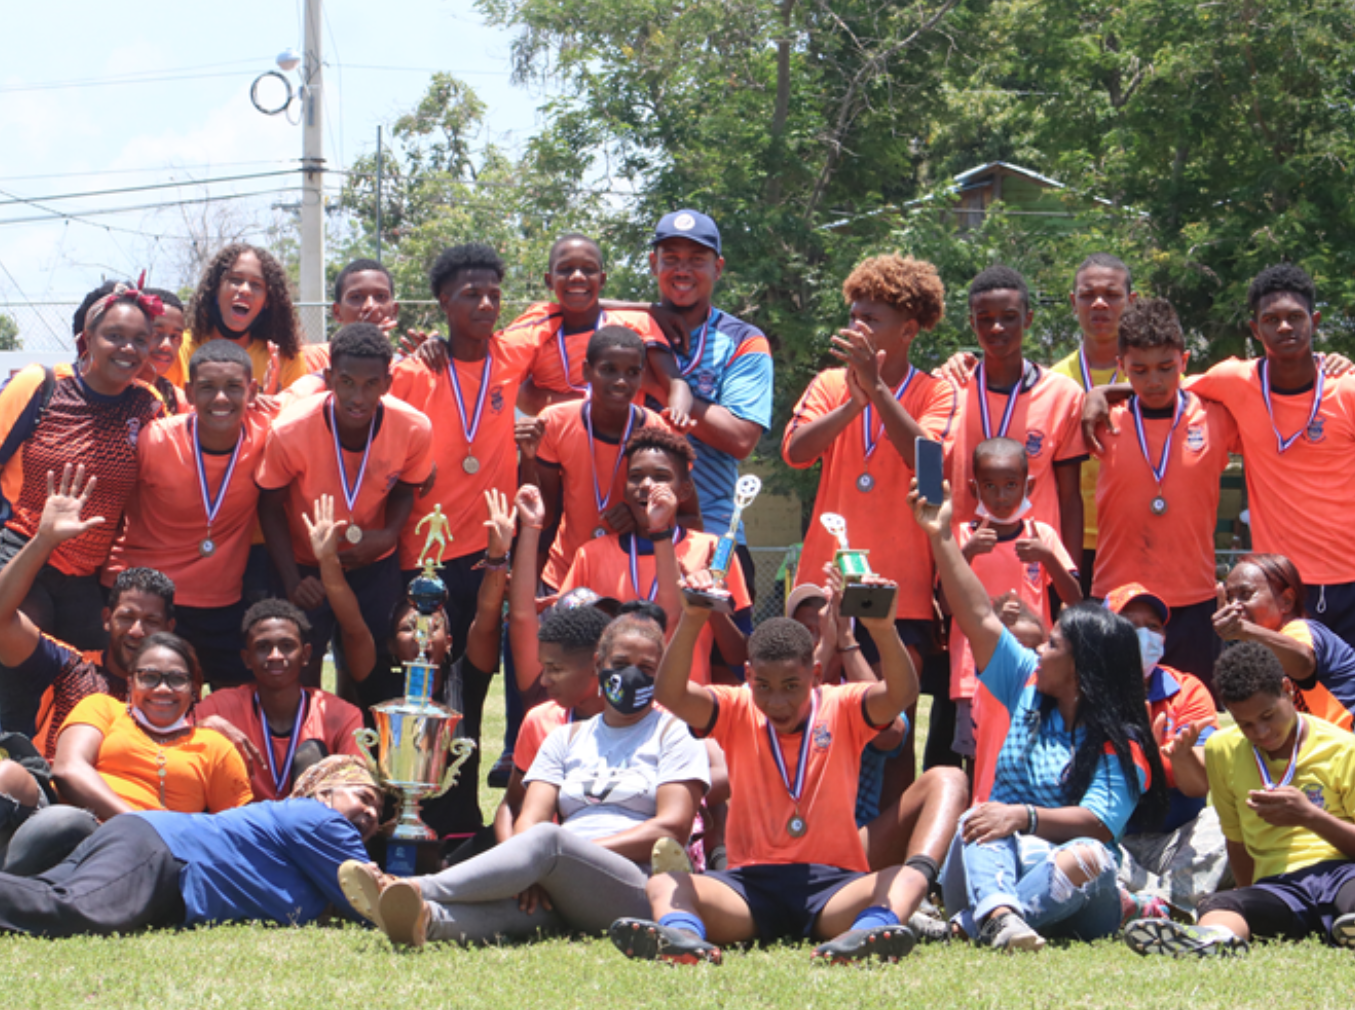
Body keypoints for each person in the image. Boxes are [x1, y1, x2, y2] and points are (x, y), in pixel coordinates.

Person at [613, 572, 966, 965]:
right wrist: (693, 619)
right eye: (763, 685)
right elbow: (671, 694)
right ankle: (682, 940)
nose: (777, 700)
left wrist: (882, 630)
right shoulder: (735, 707)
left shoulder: (842, 705)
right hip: (749, 888)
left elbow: (901, 694)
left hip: (833, 887)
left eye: (791, 686)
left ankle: (868, 933)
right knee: (666, 884)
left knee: (906, 877)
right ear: (748, 676)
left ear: (815, 676)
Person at [339, 611, 709, 946]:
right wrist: (532, 871)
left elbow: (671, 827)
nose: (632, 675)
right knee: (522, 909)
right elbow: (529, 817)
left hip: (635, 884)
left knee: (547, 839)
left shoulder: (674, 734)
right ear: (599, 664)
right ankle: (422, 919)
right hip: (563, 881)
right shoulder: (566, 738)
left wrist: (566, 855)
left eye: (647, 668)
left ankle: (410, 887)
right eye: (621, 663)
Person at [914, 478, 1167, 951]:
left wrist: (1023, 816)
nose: (1041, 648)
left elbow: (1098, 823)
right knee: (982, 821)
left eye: (1053, 644)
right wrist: (941, 534)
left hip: (1074, 889)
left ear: (1080, 667)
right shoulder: (1028, 684)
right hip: (990, 860)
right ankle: (1001, 918)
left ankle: (974, 924)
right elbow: (977, 617)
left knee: (1090, 855)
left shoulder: (1122, 738)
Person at [1084, 264, 1355, 648]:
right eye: (1271, 319)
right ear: (1254, 329)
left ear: (1314, 320)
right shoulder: (1231, 382)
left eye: (1295, 317)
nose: (1284, 327)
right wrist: (1102, 392)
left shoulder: (1345, 390)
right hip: (1277, 583)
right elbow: (1160, 381)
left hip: (1346, 577)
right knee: (1286, 699)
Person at [782, 252, 955, 788]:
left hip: (898, 588)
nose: (857, 327)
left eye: (871, 319)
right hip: (823, 583)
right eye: (853, 315)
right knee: (814, 719)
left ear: (907, 330)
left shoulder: (937, 391)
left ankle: (894, 857)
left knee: (892, 729)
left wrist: (878, 391)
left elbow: (929, 469)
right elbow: (794, 453)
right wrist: (852, 404)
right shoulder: (831, 383)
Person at [1125, 642, 1355, 956]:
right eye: (1246, 724)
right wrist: (1247, 896)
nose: (1261, 732)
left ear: (1287, 690)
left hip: (1341, 873)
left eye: (1268, 716)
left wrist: (1310, 817)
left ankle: (1348, 921)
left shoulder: (1343, 747)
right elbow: (1236, 842)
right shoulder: (1223, 750)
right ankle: (1212, 940)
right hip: (1278, 887)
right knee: (1221, 903)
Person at [0, 755, 383, 936]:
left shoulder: (306, 840)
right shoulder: (321, 819)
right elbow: (371, 906)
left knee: (45, 895)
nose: (370, 813)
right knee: (72, 912)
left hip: (146, 841)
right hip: (164, 851)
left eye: (377, 809)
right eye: (363, 797)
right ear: (324, 791)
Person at [258, 323, 434, 698]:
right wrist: (291, 580)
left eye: (371, 384)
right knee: (300, 671)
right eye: (347, 382)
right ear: (329, 379)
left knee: (372, 673)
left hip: (373, 563)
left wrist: (388, 535)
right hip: (307, 569)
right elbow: (270, 507)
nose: (358, 396)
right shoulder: (290, 429)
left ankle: (366, 749)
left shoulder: (414, 427)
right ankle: (307, 751)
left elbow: (407, 489)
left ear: (387, 382)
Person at [389, 243, 539, 659]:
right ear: (444, 301)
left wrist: (656, 307)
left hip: (487, 549)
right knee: (421, 669)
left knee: (475, 671)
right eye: (472, 294)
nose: (487, 304)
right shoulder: (413, 373)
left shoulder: (512, 355)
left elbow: (566, 300)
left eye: (494, 295)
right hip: (421, 550)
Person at [0, 282, 164, 651]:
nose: (128, 348)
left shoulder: (148, 405)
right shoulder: (43, 385)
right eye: (114, 335)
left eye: (140, 339)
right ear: (87, 338)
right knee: (24, 675)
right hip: (21, 551)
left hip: (85, 575)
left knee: (85, 682)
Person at [10, 633, 252, 876]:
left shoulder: (215, 747)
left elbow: (236, 832)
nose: (162, 689)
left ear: (194, 689)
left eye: (177, 679)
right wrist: (140, 822)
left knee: (67, 825)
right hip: (66, 817)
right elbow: (69, 769)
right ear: (130, 683)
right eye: (149, 677)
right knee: (11, 778)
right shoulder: (103, 707)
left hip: (145, 855)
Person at [1090, 298, 1237, 687]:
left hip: (1192, 598)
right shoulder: (1101, 418)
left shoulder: (1216, 417)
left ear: (1185, 361)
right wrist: (1098, 394)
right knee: (1115, 722)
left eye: (1166, 367)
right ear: (1121, 366)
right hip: (1118, 598)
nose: (1153, 380)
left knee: (1190, 715)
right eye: (1139, 370)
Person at [104, 341, 269, 687]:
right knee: (142, 707)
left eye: (234, 388)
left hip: (222, 603)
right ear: (190, 392)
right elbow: (113, 507)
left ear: (253, 390)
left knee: (237, 708)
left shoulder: (268, 437)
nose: (221, 399)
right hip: (152, 604)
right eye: (207, 388)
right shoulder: (155, 440)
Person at [0, 468, 174, 759]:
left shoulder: (173, 690)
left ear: (169, 628)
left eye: (151, 622)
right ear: (106, 618)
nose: (136, 631)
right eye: (126, 617)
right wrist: (43, 540)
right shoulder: (69, 668)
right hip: (56, 797)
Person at [558, 427, 750, 686]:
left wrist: (706, 603)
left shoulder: (711, 552)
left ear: (684, 492)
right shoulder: (591, 555)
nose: (647, 485)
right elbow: (565, 641)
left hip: (683, 707)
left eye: (661, 477)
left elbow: (739, 657)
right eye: (636, 477)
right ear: (625, 489)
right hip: (611, 706)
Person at [641, 210, 773, 585]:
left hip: (713, 534)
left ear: (718, 267)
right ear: (654, 264)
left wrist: (656, 384)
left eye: (696, 260)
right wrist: (641, 313)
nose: (683, 270)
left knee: (722, 643)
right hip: (630, 529)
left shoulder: (745, 340)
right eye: (671, 259)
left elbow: (741, 438)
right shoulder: (627, 328)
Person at [949, 437, 1081, 799]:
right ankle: (973, 826)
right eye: (989, 486)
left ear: (1029, 485)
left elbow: (1075, 598)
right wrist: (966, 555)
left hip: (1034, 672)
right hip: (972, 675)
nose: (1001, 496)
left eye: (1011, 485)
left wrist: (1048, 558)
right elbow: (945, 605)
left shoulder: (1042, 536)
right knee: (978, 756)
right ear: (975, 487)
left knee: (1029, 747)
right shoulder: (961, 536)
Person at [387, 488, 515, 855]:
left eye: (433, 626)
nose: (422, 635)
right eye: (409, 628)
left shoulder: (465, 681)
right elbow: (351, 628)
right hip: (391, 836)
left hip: (459, 840)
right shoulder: (382, 686)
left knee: (512, 836)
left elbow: (488, 619)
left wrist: (496, 557)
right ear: (392, 645)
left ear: (450, 639)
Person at [944, 266, 1087, 565]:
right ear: (972, 323)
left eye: (1009, 317)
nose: (997, 327)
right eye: (985, 319)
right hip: (962, 562)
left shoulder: (1063, 394)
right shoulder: (948, 388)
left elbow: (1070, 498)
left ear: (1028, 319)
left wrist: (1069, 578)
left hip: (1032, 567)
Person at [533, 326, 695, 590]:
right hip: (564, 576)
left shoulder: (659, 431)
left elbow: (691, 518)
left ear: (641, 377)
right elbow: (544, 515)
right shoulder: (555, 421)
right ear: (586, 371)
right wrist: (529, 584)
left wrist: (642, 518)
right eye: (608, 370)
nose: (621, 381)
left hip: (628, 582)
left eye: (632, 373)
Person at [1102, 583, 1227, 916]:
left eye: (1153, 627)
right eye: (1129, 624)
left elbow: (1199, 785)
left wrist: (1174, 756)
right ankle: (1173, 899)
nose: (1143, 635)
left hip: (1177, 844)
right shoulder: (1083, 692)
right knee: (1077, 849)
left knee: (1225, 820)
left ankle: (1159, 903)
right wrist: (1138, 758)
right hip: (1112, 842)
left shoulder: (1186, 690)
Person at [195, 584, 364, 802]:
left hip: (309, 829)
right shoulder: (220, 707)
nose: (275, 655)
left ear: (305, 654)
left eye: (286, 645)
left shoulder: (340, 714)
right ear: (247, 659)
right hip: (241, 826)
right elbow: (169, 738)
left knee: (313, 753)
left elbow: (358, 784)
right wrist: (202, 726)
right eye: (263, 647)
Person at [501, 233, 691, 420]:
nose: (577, 276)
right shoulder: (536, 325)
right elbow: (504, 379)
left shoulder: (637, 324)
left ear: (602, 280)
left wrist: (677, 414)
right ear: (549, 280)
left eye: (588, 269)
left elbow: (674, 382)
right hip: (553, 445)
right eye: (565, 269)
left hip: (624, 443)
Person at [1214, 553, 1355, 731]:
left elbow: (1303, 664)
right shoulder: (1258, 650)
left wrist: (1244, 630)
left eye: (1245, 595)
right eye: (1230, 597)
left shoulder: (1300, 629)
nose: (1234, 606)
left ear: (1287, 600)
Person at [173, 243, 308, 394]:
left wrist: (270, 403)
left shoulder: (285, 358)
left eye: (256, 284)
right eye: (235, 280)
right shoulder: (178, 348)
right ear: (215, 288)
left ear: (267, 301)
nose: (245, 290)